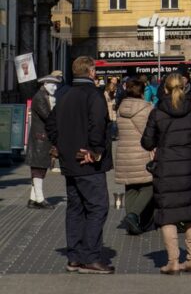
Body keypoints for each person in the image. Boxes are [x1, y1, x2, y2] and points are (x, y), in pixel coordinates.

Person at [46, 55, 114, 274]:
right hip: (87, 162)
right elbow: (98, 125)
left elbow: (51, 123)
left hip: (70, 161)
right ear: (91, 72)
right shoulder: (93, 95)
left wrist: (60, 145)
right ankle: (91, 257)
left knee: (76, 208)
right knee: (98, 206)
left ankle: (74, 256)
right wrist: (95, 151)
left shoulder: (64, 93)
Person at [141, 72, 191, 273]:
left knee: (167, 215)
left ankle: (173, 261)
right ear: (183, 88)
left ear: (164, 89)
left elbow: (146, 142)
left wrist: (159, 141)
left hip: (166, 169)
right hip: (189, 167)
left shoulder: (157, 112)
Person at [114, 77, 154, 236]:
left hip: (124, 152)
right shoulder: (146, 108)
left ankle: (132, 224)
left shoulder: (120, 108)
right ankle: (133, 215)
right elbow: (149, 132)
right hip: (141, 152)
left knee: (130, 187)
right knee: (149, 186)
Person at [26, 73, 61, 209]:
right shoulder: (40, 98)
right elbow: (48, 116)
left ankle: (32, 199)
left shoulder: (45, 96)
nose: (55, 88)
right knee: (38, 169)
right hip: (40, 139)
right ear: (45, 84)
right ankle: (40, 199)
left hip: (42, 138)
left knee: (39, 168)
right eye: (53, 85)